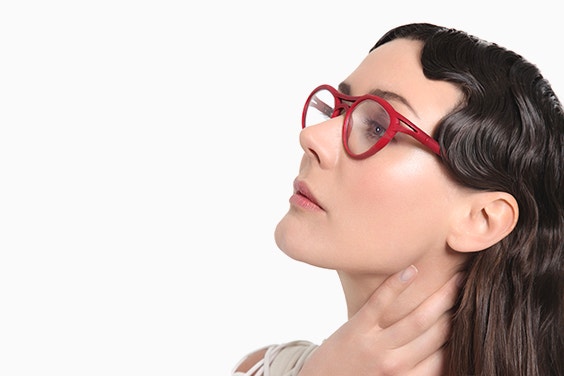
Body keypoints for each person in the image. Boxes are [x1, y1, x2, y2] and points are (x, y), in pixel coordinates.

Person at [232, 22, 564, 376]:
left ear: (482, 219)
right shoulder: (270, 368)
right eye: (339, 110)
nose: (312, 136)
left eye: (378, 127)